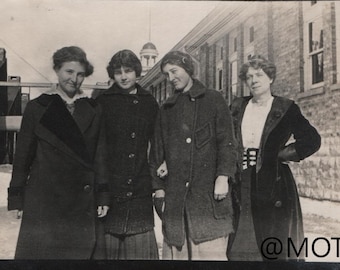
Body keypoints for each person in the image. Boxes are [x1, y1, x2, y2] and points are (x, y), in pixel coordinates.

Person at [7, 46, 110, 259]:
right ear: (56, 70)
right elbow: (22, 156)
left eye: (80, 74)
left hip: (81, 201)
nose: (74, 79)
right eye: (69, 72)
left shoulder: (93, 109)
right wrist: (17, 197)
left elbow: (100, 156)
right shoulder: (37, 107)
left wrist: (103, 196)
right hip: (44, 200)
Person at [227, 55, 321, 261]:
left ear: (270, 78)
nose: (254, 80)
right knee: (241, 243)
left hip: (275, 183)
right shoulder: (236, 107)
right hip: (240, 182)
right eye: (249, 76)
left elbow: (311, 139)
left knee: (273, 244)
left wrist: (280, 155)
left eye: (259, 75)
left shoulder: (285, 108)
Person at [150, 51, 237, 260]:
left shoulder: (214, 100)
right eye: (166, 74)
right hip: (176, 206)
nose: (171, 78)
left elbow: (227, 143)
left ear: (187, 68)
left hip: (208, 203)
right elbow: (156, 154)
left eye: (174, 71)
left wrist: (223, 176)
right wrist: (159, 192)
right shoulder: (167, 109)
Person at [96, 49, 159, 260]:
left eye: (128, 71)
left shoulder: (149, 102)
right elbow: (98, 149)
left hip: (140, 188)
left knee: (139, 251)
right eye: (118, 72)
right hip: (111, 189)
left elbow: (157, 144)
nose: (123, 76)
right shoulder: (103, 101)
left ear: (137, 72)